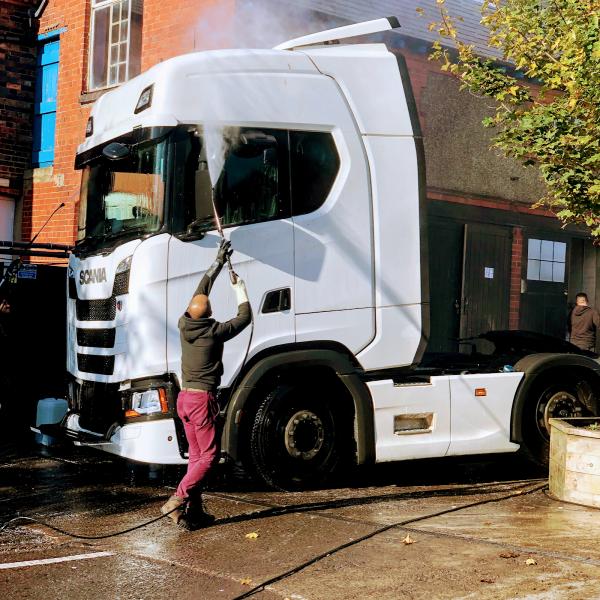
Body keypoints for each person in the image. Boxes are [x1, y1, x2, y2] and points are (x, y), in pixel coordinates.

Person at [161, 238, 252, 530]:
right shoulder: (214, 332)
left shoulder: (184, 323)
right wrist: (240, 290)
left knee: (197, 457)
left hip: (184, 399)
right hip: (202, 402)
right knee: (209, 457)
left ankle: (192, 513)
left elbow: (200, 290)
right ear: (210, 314)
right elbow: (245, 317)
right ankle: (177, 499)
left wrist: (217, 263)